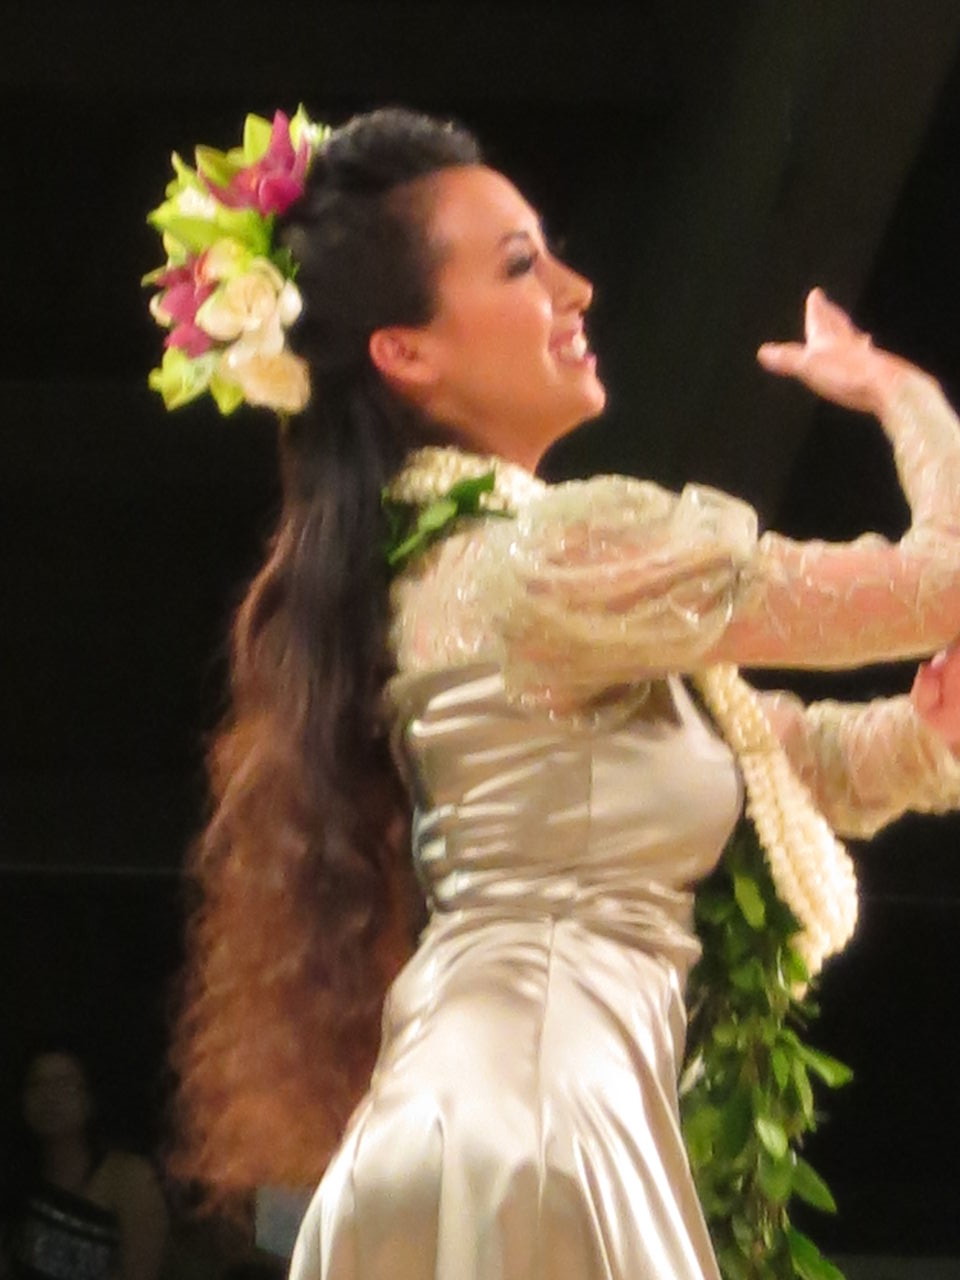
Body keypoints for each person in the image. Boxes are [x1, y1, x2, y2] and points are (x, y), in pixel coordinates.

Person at [146, 107, 960, 1279]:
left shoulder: (474, 567)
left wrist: (926, 736)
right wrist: (901, 391)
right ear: (406, 352)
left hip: (505, 1103)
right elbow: (938, 585)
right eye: (522, 264)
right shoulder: (548, 556)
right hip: (534, 1122)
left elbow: (772, 763)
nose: (576, 289)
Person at [1, 1043, 169, 1280]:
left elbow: (139, 1273)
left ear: (90, 1098)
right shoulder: (16, 1175)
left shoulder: (129, 1177)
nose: (50, 1097)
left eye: (65, 1085)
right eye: (36, 1084)